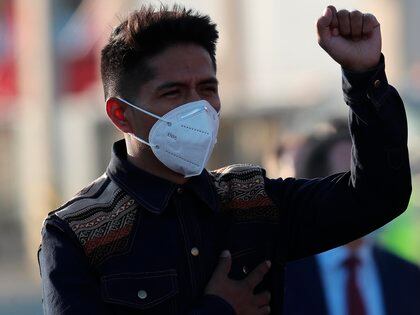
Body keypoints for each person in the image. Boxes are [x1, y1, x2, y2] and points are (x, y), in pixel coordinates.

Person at [38, 5, 412, 315]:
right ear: (121, 115)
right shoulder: (77, 234)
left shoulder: (252, 201)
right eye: (173, 93)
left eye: (207, 88)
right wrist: (217, 309)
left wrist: (364, 77)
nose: (197, 106)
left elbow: (378, 196)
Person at [282, 120, 420, 315]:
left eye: (371, 181)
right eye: (351, 183)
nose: (367, 194)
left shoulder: (408, 276)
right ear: (320, 189)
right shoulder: (281, 279)